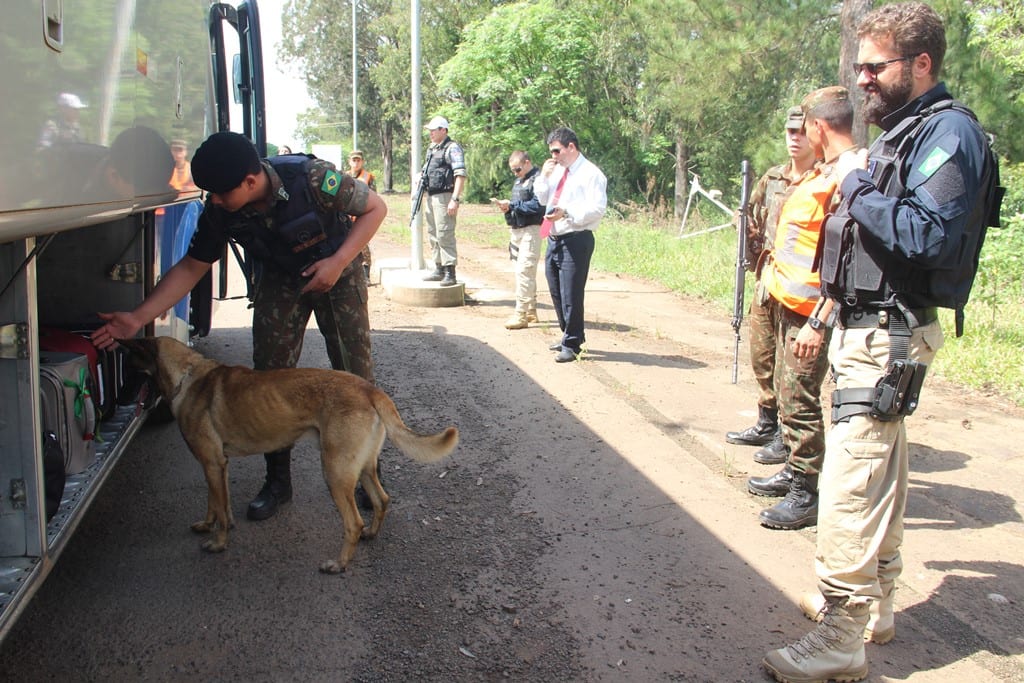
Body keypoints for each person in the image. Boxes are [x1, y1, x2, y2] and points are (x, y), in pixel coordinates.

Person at [762, 4, 1001, 682]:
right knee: (882, 474)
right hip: (870, 327)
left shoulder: (947, 135)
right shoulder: (906, 133)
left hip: (889, 334)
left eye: (876, 65)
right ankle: (874, 605)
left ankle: (842, 633)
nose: (862, 78)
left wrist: (855, 180)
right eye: (859, 65)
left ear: (921, 64)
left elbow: (927, 234)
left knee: (849, 480)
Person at [91, 131, 387, 522]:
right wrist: (137, 317)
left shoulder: (311, 178)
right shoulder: (221, 211)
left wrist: (337, 263)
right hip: (283, 282)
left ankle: (369, 477)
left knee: (354, 379)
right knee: (267, 383)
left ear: (250, 182)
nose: (213, 201)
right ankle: (278, 481)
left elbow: (375, 209)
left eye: (218, 193)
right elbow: (192, 267)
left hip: (339, 275)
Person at [746, 87, 858, 531]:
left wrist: (819, 320)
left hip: (810, 312)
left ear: (817, 127)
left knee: (801, 401)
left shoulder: (843, 178)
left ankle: (805, 493)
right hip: (784, 301)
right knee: (786, 393)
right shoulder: (817, 175)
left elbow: (845, 260)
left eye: (804, 124)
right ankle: (795, 471)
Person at [726, 106, 817, 466]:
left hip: (798, 287)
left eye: (801, 132)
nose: (794, 139)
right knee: (761, 355)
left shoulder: (821, 180)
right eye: (789, 132)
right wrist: (743, 227)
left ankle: (786, 432)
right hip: (767, 279)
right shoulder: (773, 177)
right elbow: (753, 217)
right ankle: (767, 420)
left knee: (788, 366)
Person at [534, 127, 607, 363]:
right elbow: (543, 199)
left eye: (557, 151)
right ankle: (568, 333)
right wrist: (543, 177)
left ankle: (573, 343)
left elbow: (597, 208)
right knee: (555, 289)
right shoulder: (557, 172)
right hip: (554, 237)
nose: (554, 156)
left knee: (571, 292)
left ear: (571, 147)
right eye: (552, 152)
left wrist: (567, 213)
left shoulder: (591, 174)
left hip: (576, 238)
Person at [496, 151, 545, 330]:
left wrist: (513, 205)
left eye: (517, 169)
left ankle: (520, 314)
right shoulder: (519, 181)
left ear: (527, 162)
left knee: (524, 270)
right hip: (516, 230)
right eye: (513, 170)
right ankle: (531, 309)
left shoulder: (539, 180)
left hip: (532, 230)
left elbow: (539, 206)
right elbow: (519, 204)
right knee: (521, 271)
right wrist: (507, 208)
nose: (515, 173)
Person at [420, 116, 467, 287]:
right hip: (431, 196)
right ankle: (438, 268)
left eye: (434, 129)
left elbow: (460, 174)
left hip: (445, 196)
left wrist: (454, 199)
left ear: (444, 130)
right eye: (430, 130)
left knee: (444, 233)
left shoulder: (452, 148)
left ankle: (450, 271)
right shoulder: (432, 149)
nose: (431, 133)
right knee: (433, 233)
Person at [347, 150, 376, 281]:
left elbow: (374, 197)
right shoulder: (344, 176)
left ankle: (366, 274)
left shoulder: (369, 177)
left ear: (362, 162)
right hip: (346, 217)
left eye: (359, 160)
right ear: (349, 162)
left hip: (362, 215)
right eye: (354, 160)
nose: (356, 163)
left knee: (363, 244)